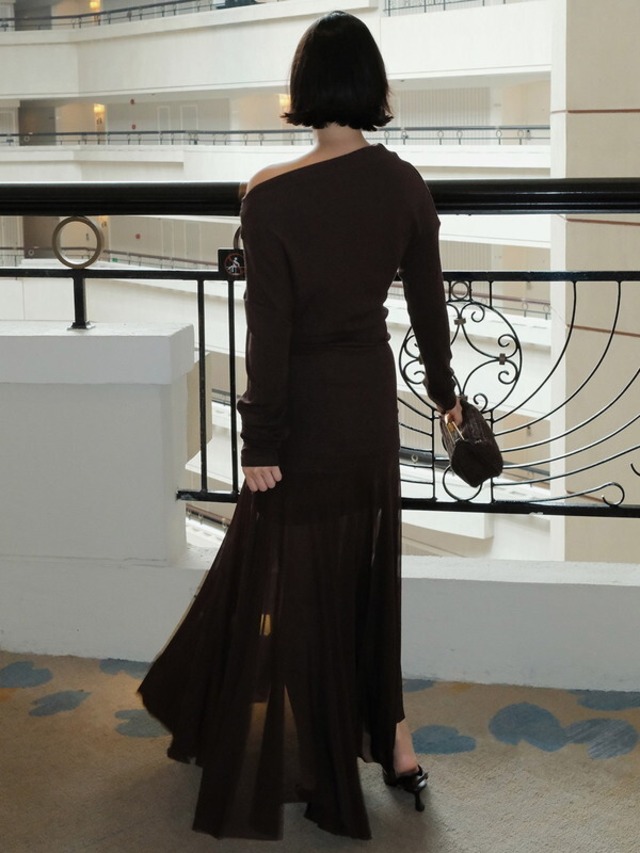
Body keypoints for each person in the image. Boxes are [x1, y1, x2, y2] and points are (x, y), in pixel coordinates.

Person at [139, 10, 462, 842]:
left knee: (286, 574)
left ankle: (301, 737)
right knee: (365, 575)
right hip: (367, 407)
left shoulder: (270, 194)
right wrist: (446, 395)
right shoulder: (405, 184)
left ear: (305, 88)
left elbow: (270, 334)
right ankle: (394, 739)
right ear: (374, 87)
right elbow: (429, 308)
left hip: (305, 413)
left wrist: (261, 439)